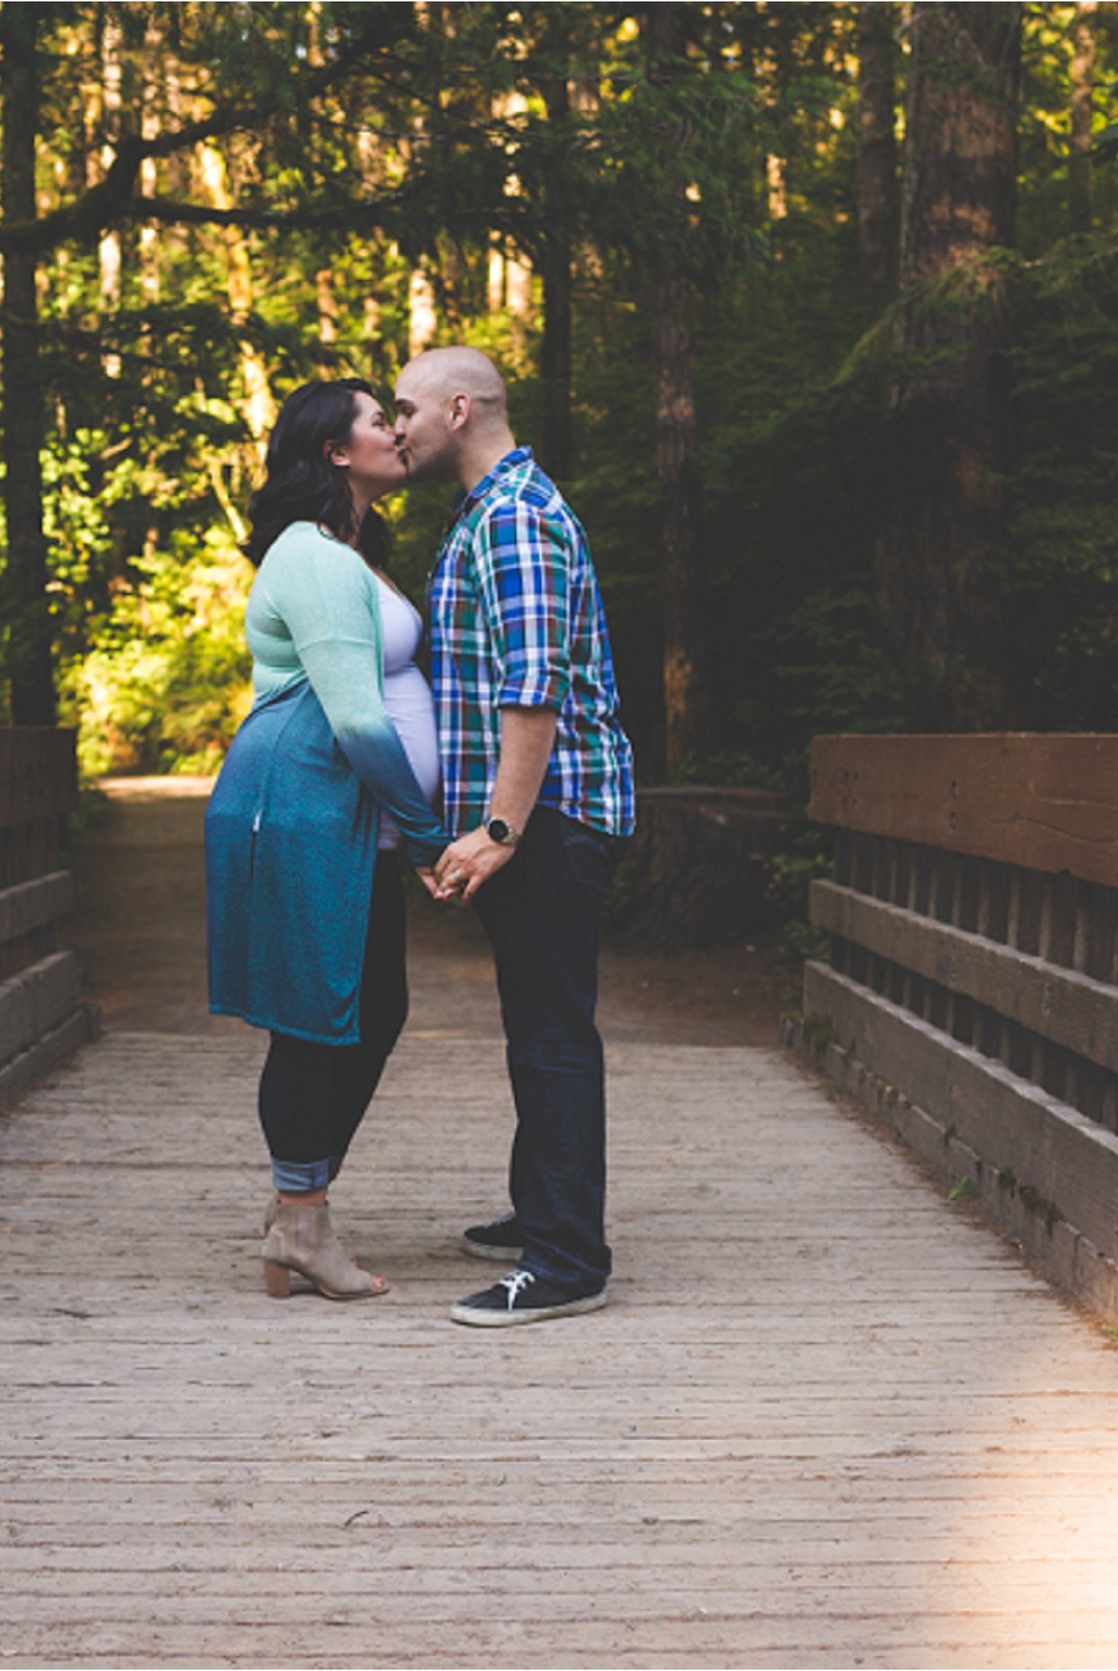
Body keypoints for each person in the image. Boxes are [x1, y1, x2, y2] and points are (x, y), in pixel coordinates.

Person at [392, 346, 637, 1328]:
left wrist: (497, 827)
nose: (393, 426)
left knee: (550, 1038)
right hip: (538, 818)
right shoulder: (488, 511)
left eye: (404, 408)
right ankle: (544, 1210)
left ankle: (567, 1259)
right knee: (536, 1027)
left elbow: (529, 692)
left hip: (551, 817)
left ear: (458, 409)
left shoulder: (516, 518)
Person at [205, 379, 453, 1302]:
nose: (395, 428)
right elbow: (353, 717)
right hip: (302, 806)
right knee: (320, 1021)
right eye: (376, 418)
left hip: (346, 822)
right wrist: (429, 836)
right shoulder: (310, 556)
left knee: (370, 1010)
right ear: (335, 451)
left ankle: (295, 1215)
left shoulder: (353, 550)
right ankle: (299, 1221)